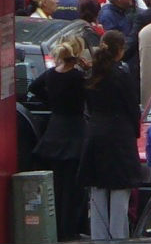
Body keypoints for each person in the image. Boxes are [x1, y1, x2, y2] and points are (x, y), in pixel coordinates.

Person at [77, 31, 140, 241]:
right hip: (119, 137)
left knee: (97, 193)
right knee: (120, 194)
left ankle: (99, 238)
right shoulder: (122, 75)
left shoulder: (92, 74)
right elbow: (133, 108)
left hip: (95, 134)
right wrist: (135, 132)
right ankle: (118, 238)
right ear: (120, 51)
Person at [28, 36, 88, 240]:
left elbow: (33, 87)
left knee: (56, 186)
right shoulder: (78, 77)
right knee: (72, 187)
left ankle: (56, 227)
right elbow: (90, 95)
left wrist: (51, 103)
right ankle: (69, 229)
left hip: (54, 131)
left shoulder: (51, 75)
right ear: (77, 56)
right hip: (74, 132)